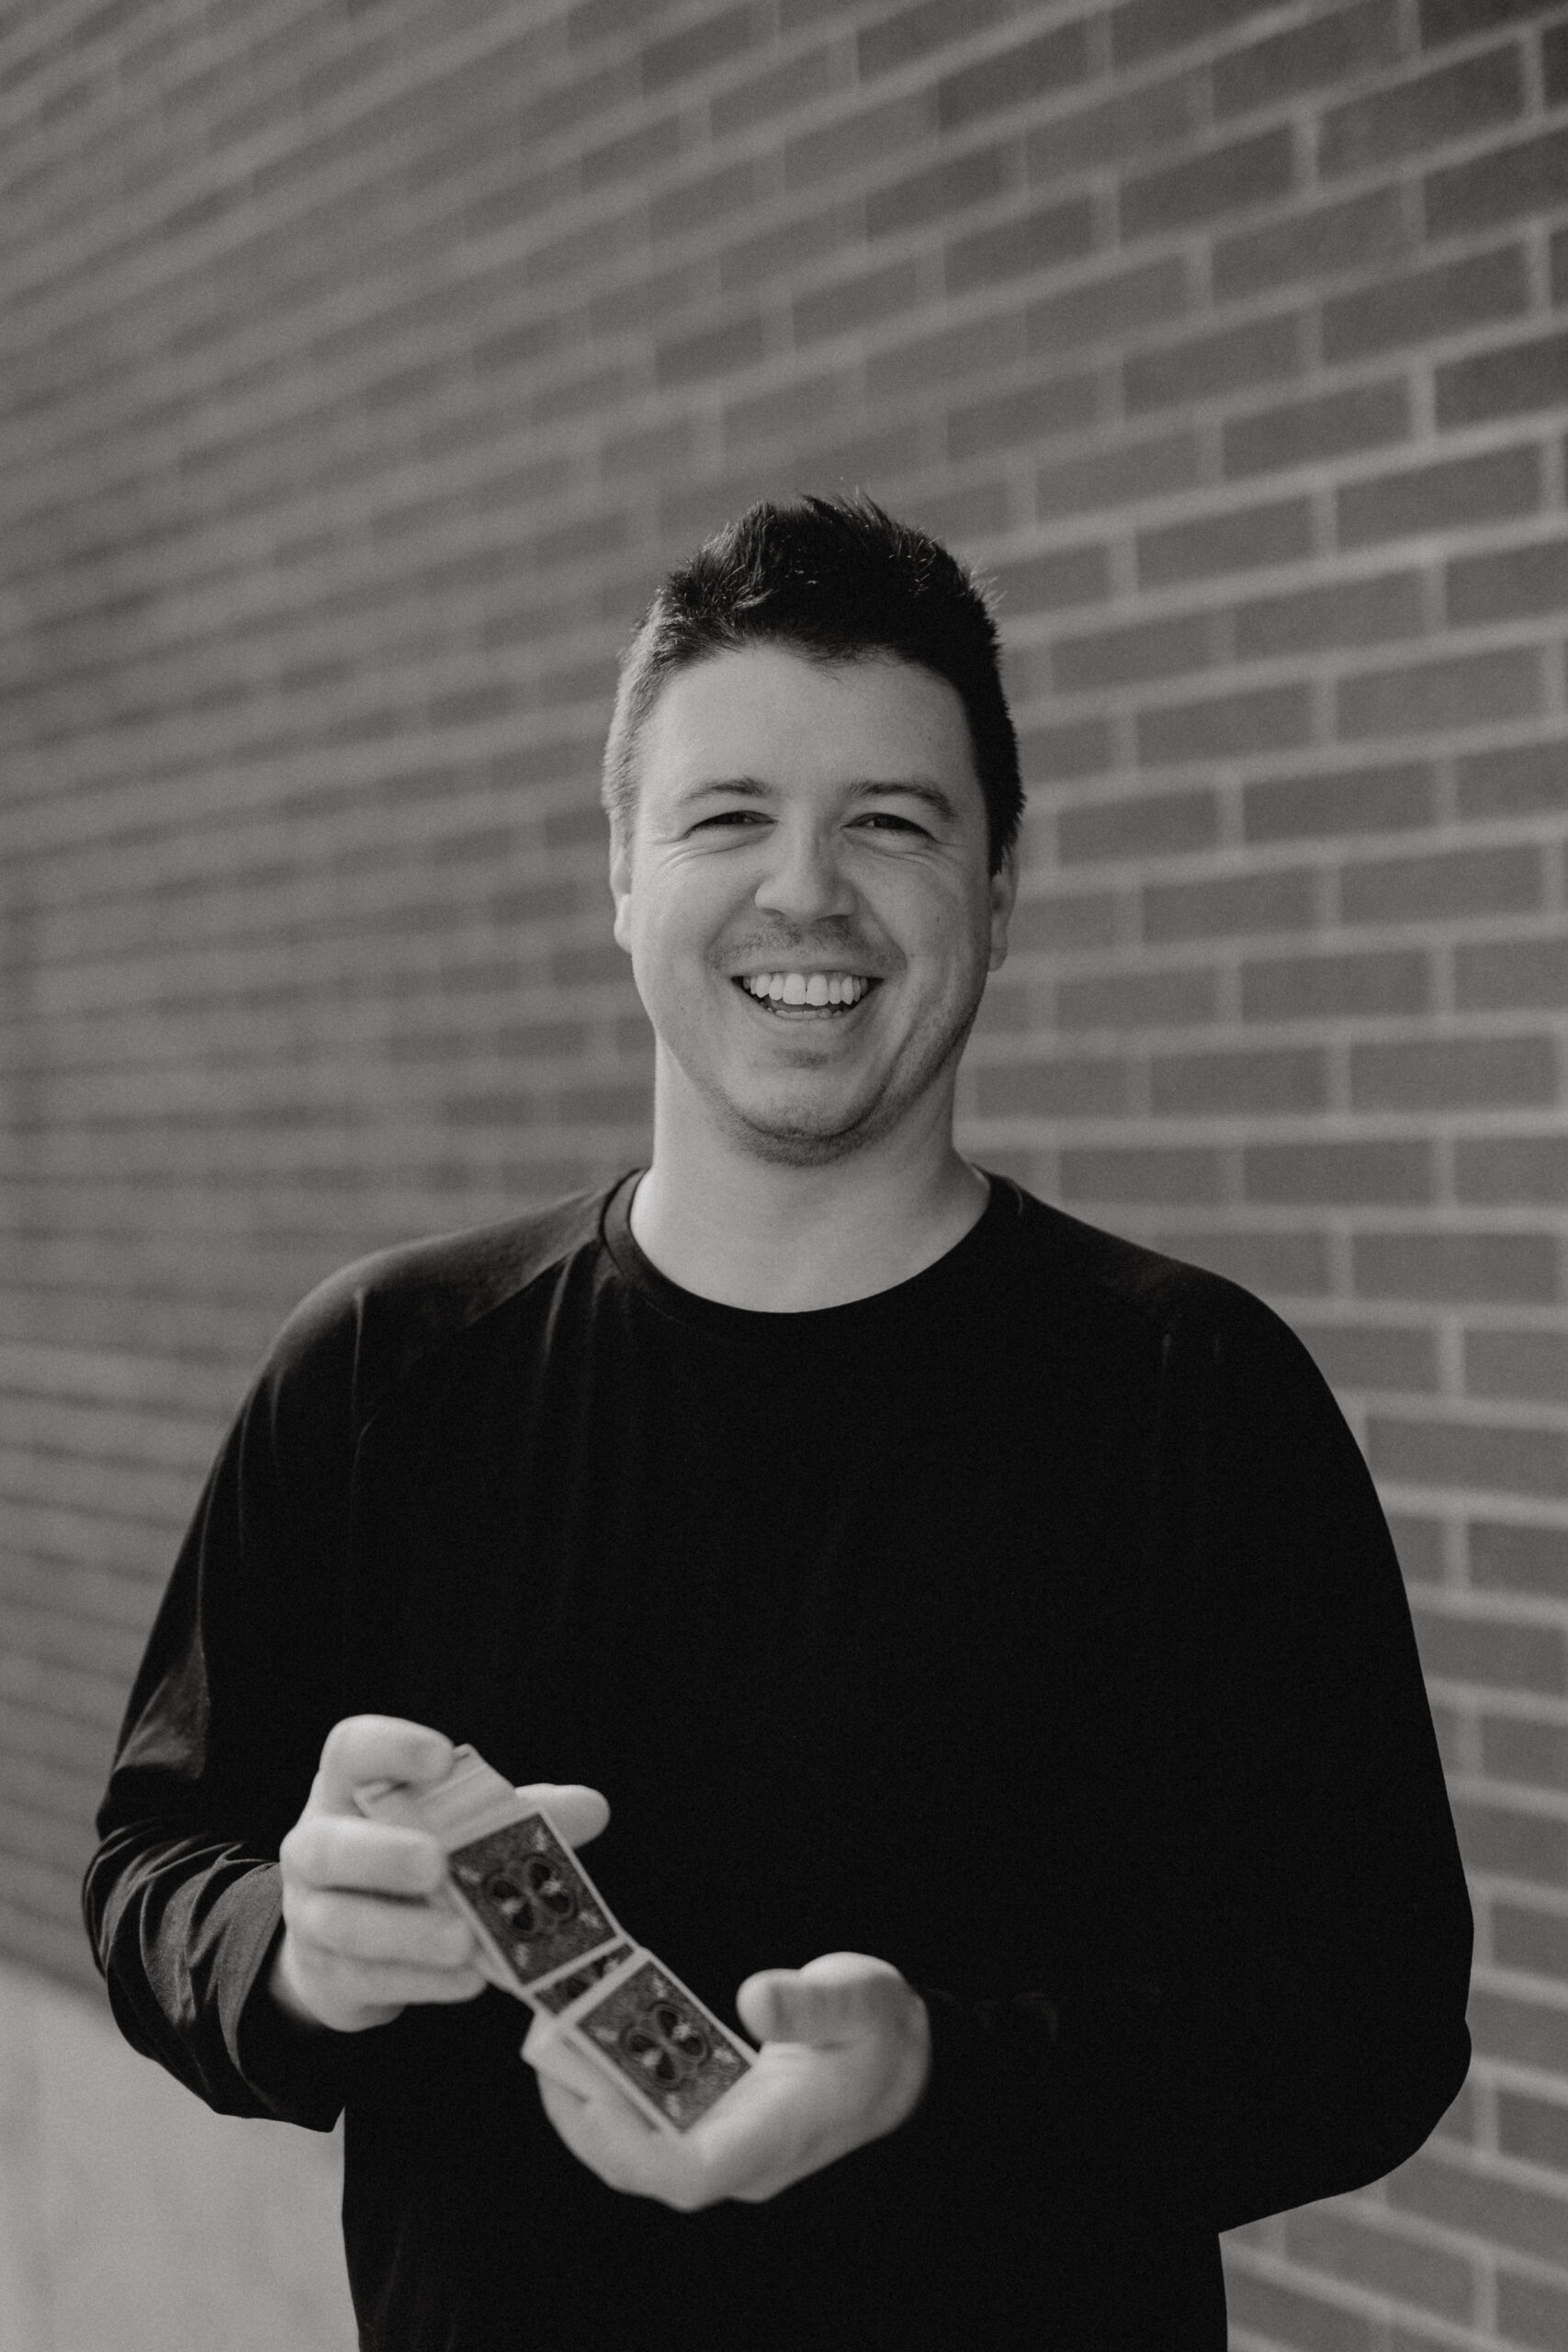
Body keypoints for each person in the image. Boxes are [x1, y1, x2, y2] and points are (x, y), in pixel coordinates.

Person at [85, 494, 1472, 2349]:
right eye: (727, 815)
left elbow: (1371, 2025)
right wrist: (294, 1952)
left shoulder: (1193, 1399)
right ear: (621, 875)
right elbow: (152, 1868)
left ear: (997, 888)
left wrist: (936, 2078)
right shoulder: (378, 1373)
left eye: (890, 821)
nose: (803, 893)